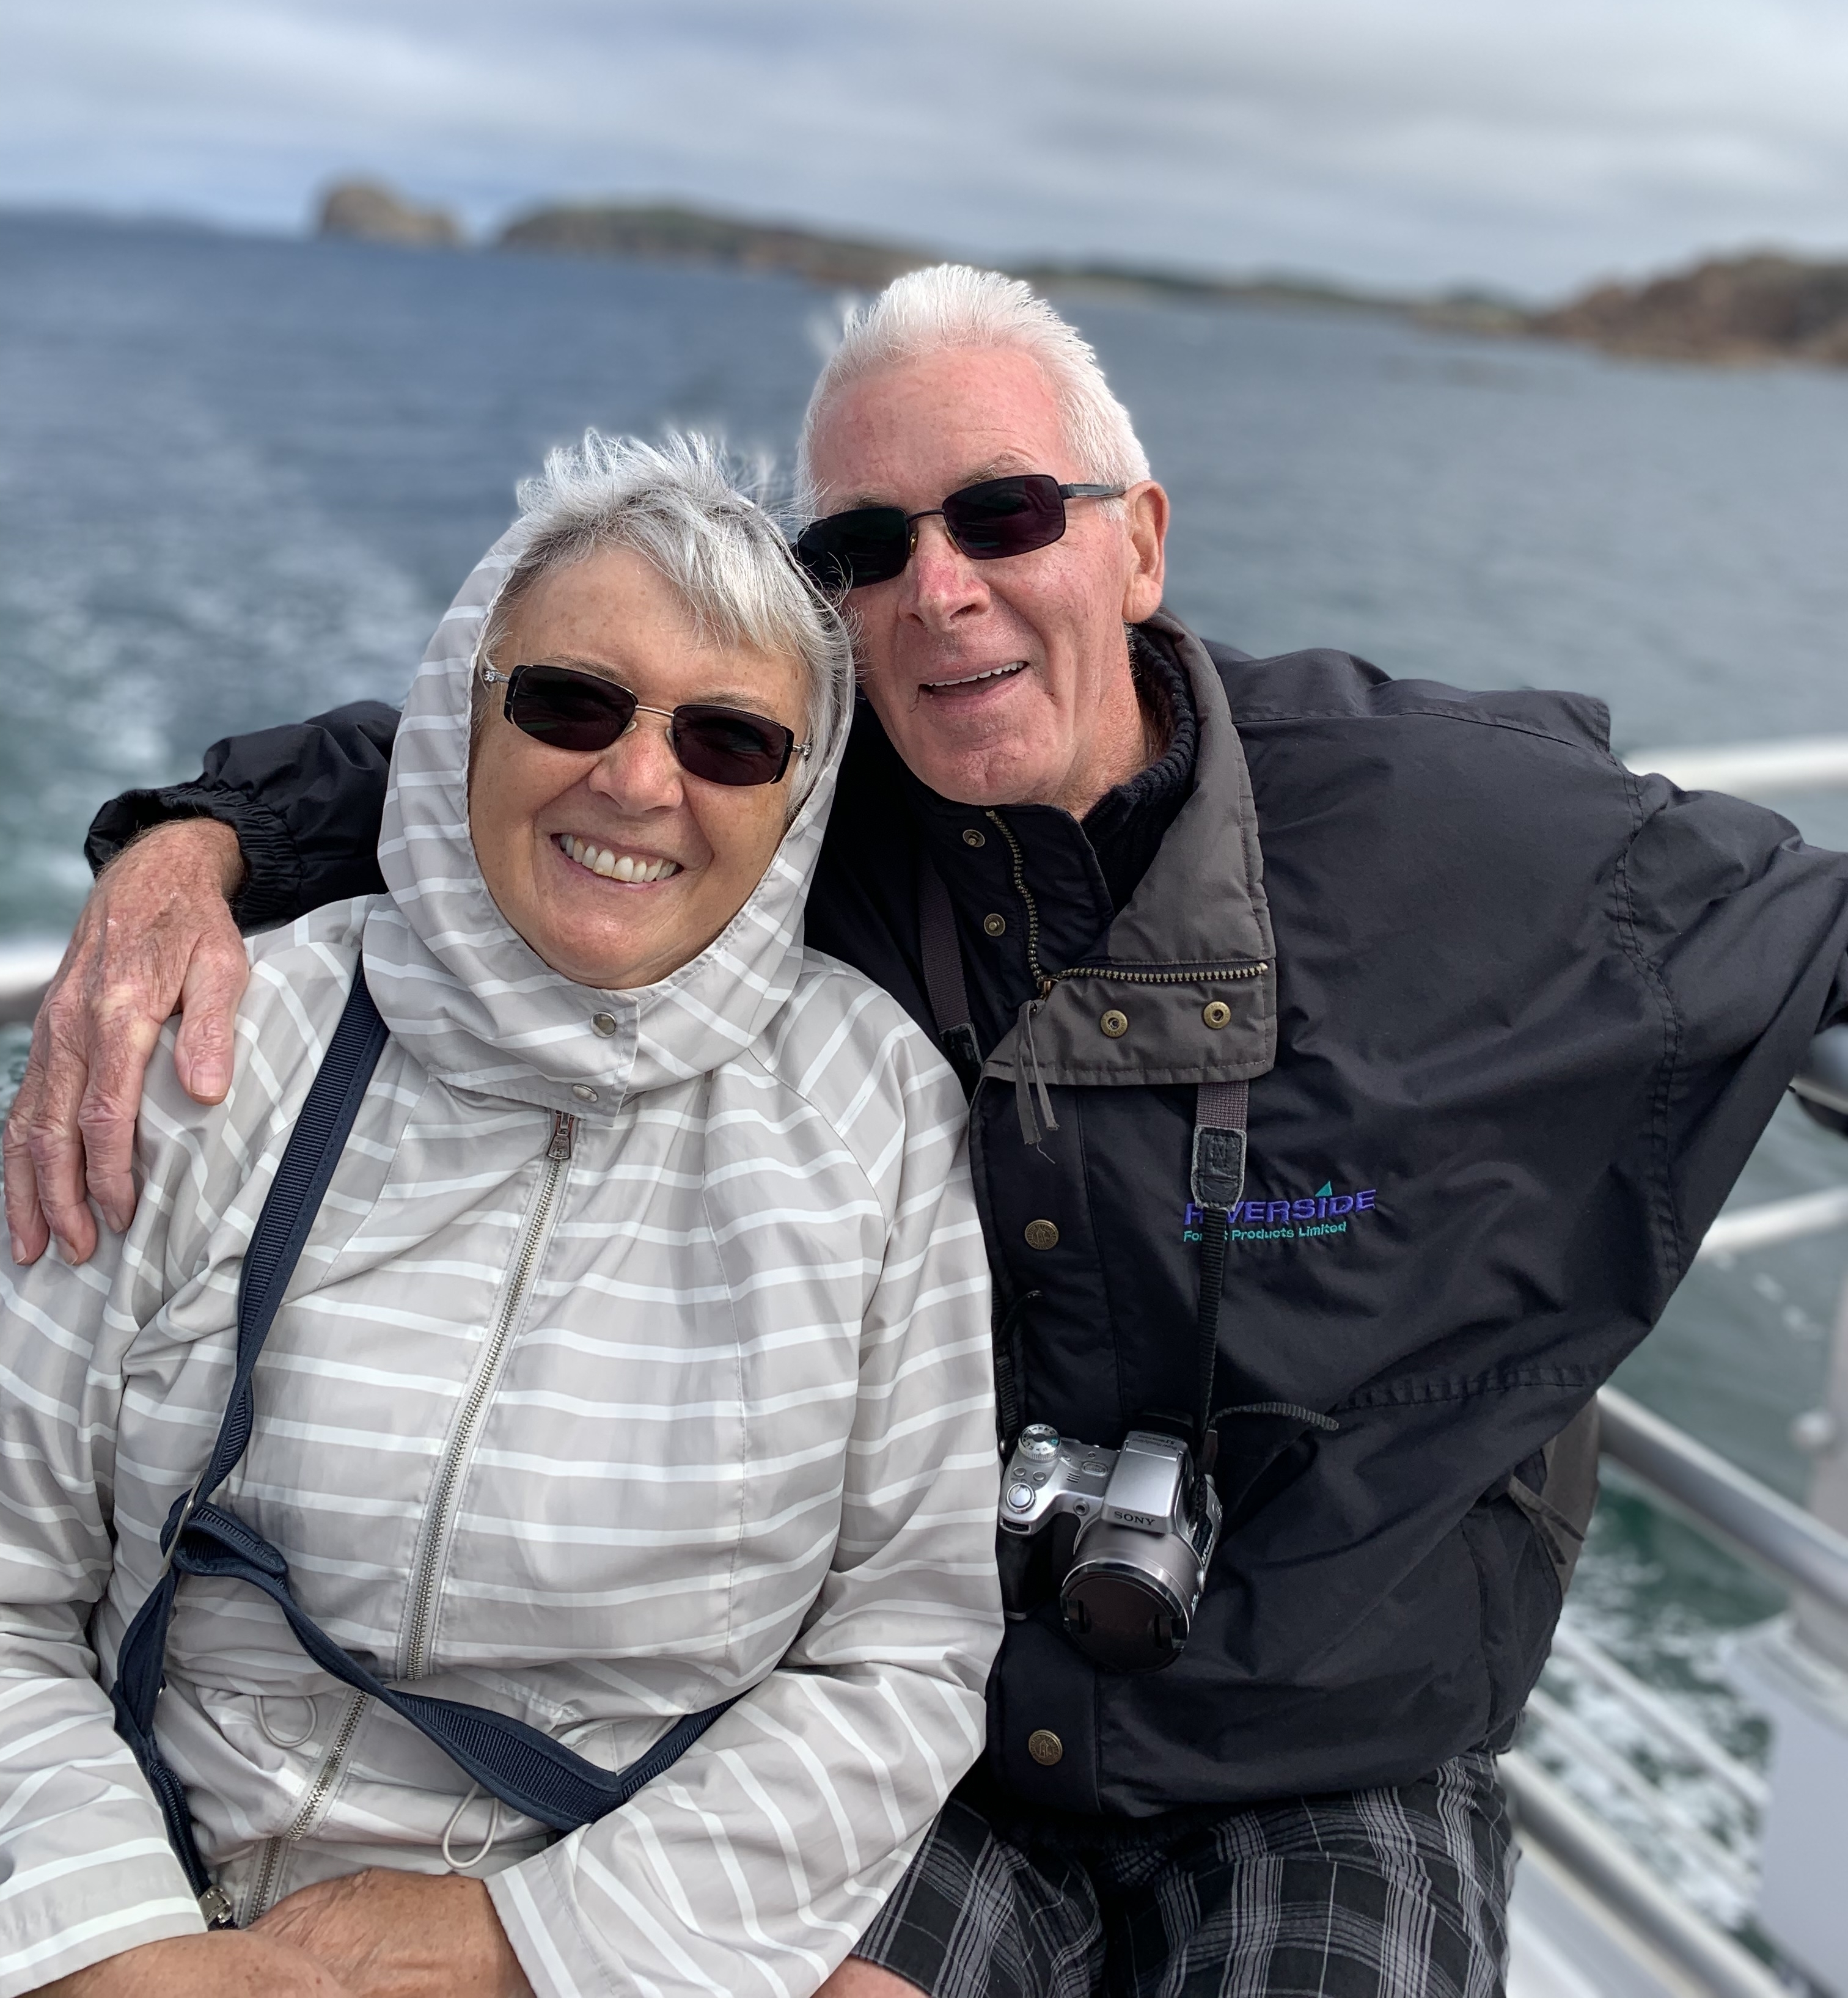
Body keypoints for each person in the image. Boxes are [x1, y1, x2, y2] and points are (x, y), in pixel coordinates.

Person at [10, 264, 1848, 1998]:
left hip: (1331, 1736)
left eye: (1005, 514)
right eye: (863, 550)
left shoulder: (1459, 831)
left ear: (1138, 542)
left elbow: (1810, 930)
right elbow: (523, 735)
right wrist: (196, 838)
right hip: (978, 1733)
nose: (938, 589)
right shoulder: (811, 791)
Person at [0, 432, 1000, 1998]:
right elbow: (8, 1569)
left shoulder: (869, 1111)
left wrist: (527, 1943)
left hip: (599, 1928)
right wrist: (110, 1935)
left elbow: (902, 1655)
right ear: (466, 713)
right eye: (571, 703)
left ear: (798, 804)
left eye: (732, 741)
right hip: (151, 1864)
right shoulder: (231, 1037)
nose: (638, 780)